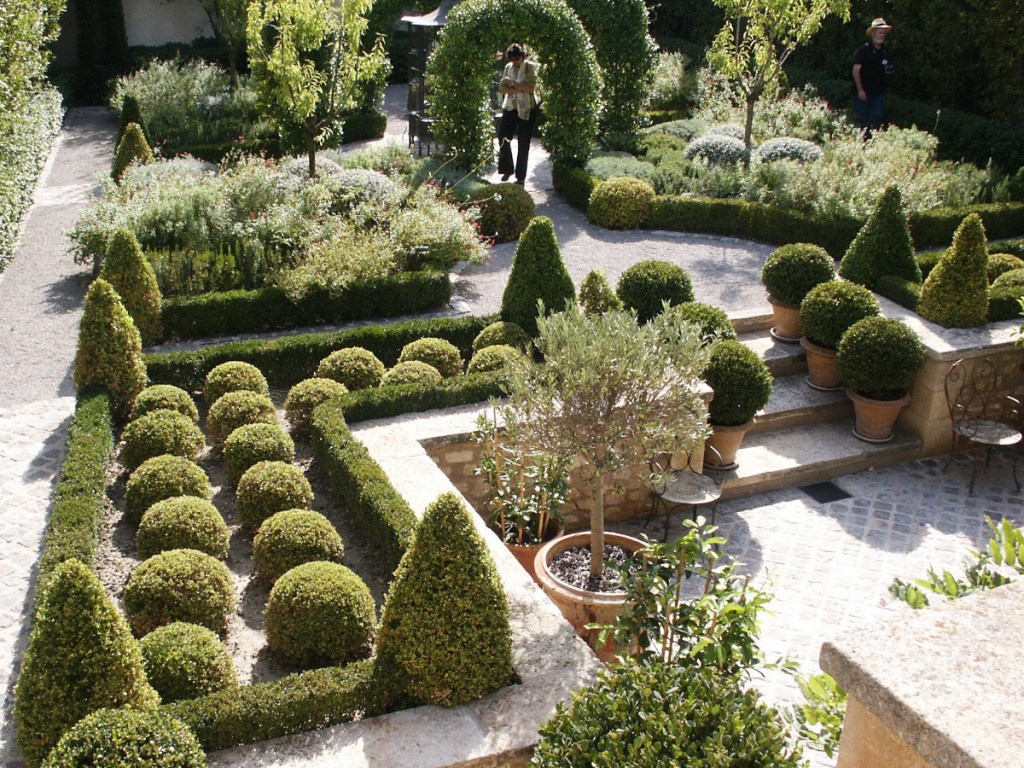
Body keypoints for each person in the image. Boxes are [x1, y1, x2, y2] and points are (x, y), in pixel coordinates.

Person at [496, 43, 540, 185]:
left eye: (517, 59)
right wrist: (519, 88)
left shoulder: (529, 67)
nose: (515, 62)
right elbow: (502, 89)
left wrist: (512, 83)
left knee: (523, 142)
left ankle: (520, 177)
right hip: (510, 107)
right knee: (503, 137)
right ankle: (507, 169)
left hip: (527, 108)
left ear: (522, 56)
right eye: (512, 59)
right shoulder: (507, 68)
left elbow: (531, 87)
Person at [851, 18, 893, 138]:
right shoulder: (863, 50)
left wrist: (889, 69)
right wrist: (860, 90)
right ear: (873, 33)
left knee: (876, 120)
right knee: (863, 121)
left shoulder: (884, 50)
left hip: (877, 93)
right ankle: (862, 143)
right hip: (863, 93)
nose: (882, 35)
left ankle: (872, 144)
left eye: (883, 33)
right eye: (880, 32)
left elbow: (885, 66)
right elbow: (855, 71)